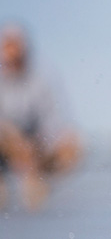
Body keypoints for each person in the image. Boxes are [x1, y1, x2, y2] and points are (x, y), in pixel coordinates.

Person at [0, 23, 81, 211]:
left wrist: (39, 146)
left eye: (16, 47)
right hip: (6, 147)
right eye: (7, 47)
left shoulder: (42, 79)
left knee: (72, 144)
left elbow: (55, 119)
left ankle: (39, 182)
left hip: (34, 149)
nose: (12, 54)